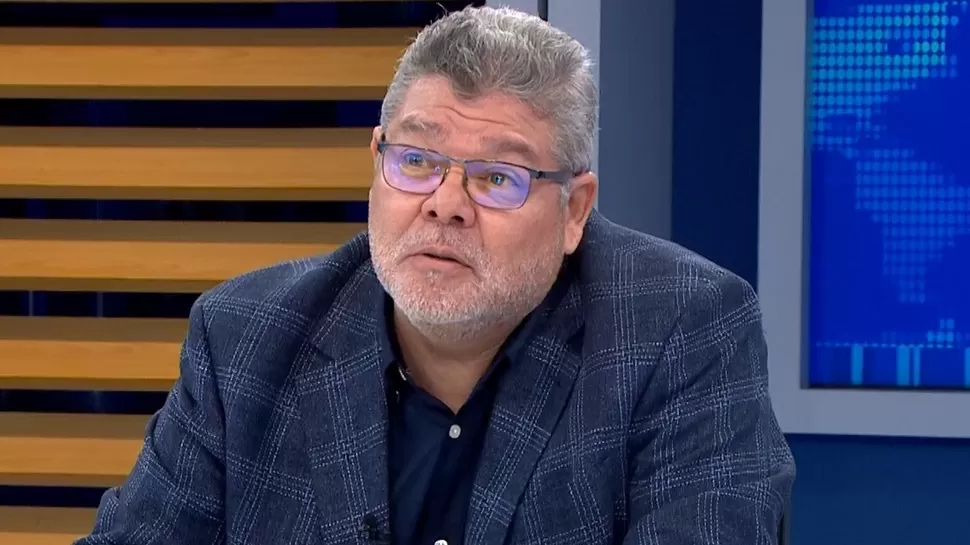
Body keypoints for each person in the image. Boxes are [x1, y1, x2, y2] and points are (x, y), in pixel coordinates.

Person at [76, 6, 795, 545]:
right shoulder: (245, 339)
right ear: (377, 160)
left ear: (573, 210)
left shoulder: (681, 330)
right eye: (417, 161)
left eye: (497, 177)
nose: (445, 204)